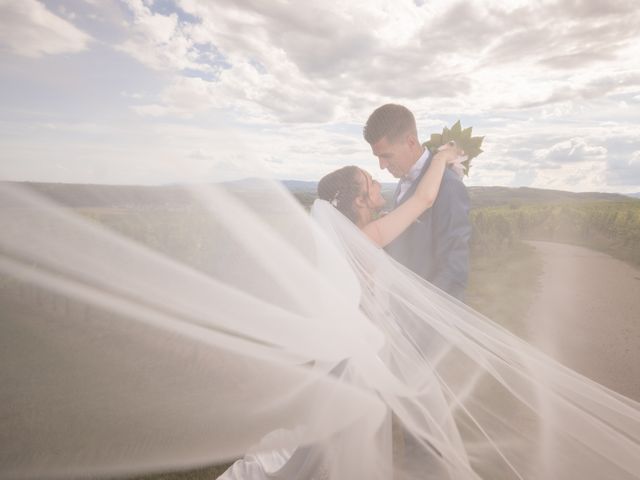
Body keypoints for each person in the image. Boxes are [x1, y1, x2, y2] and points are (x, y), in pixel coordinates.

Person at [363, 104, 472, 300]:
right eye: (378, 157)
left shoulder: (448, 186)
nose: (382, 165)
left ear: (411, 142)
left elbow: (453, 270)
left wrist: (422, 322)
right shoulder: (404, 180)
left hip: (429, 318)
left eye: (386, 156)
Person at [316, 140, 464, 248]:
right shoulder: (364, 238)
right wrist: (441, 157)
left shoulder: (348, 238)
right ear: (360, 200)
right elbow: (424, 198)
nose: (379, 184)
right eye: (371, 182)